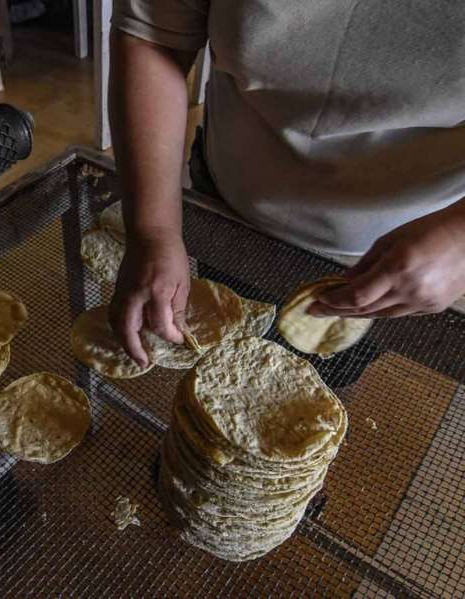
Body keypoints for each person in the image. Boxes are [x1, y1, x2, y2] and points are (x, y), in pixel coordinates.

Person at [108, 1, 465, 367]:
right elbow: (154, 38)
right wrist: (154, 228)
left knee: (330, 373)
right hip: (230, 203)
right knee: (231, 346)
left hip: (396, 255)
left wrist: (459, 239)